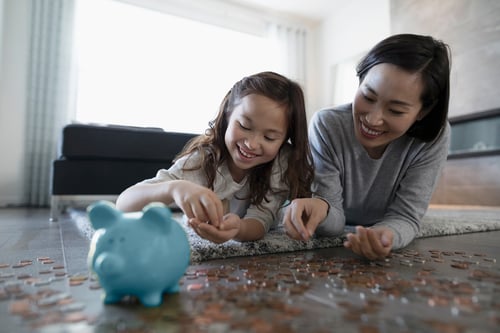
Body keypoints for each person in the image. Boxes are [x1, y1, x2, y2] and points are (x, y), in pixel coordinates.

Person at [283, 33, 451, 260]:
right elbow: (332, 215)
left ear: (423, 111)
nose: (372, 120)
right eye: (368, 97)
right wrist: (320, 210)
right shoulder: (327, 124)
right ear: (360, 81)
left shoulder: (434, 137)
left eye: (396, 111)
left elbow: (406, 217)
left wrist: (386, 235)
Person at [116, 71, 314, 244]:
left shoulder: (281, 163)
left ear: (285, 139)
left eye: (269, 137)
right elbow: (124, 204)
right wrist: (174, 188)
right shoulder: (204, 160)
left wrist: (239, 229)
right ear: (228, 114)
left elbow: (261, 220)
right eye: (244, 126)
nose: (252, 144)